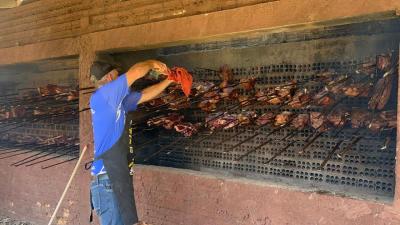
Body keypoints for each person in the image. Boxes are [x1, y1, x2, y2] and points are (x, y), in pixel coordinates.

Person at [89, 60, 173, 225]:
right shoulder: (105, 94)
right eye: (117, 74)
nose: (120, 77)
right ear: (110, 77)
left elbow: (146, 94)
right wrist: (152, 63)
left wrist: (170, 80)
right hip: (108, 180)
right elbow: (136, 72)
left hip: (117, 177)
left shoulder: (117, 102)